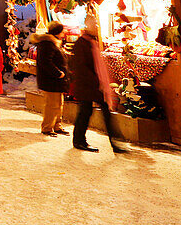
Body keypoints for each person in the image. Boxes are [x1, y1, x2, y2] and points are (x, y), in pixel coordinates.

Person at [69, 14, 128, 154]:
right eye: (94, 24)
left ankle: (114, 142)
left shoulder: (91, 42)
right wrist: (98, 83)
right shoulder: (81, 44)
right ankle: (80, 141)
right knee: (87, 113)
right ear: (87, 25)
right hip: (88, 87)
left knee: (96, 113)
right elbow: (82, 67)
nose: (96, 27)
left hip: (93, 86)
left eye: (96, 24)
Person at [32, 21, 70, 136]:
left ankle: (57, 125)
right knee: (52, 105)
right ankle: (47, 128)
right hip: (50, 80)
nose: (64, 33)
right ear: (57, 32)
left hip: (56, 81)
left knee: (58, 104)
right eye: (62, 31)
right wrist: (58, 73)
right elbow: (45, 62)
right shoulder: (47, 44)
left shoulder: (53, 43)